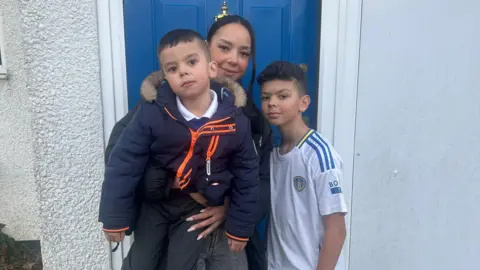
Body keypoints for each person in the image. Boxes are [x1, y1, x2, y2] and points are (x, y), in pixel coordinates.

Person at [99, 29, 260, 270]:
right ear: (165, 77)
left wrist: (239, 226)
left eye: (191, 62)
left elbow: (248, 175)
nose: (183, 71)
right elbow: (123, 161)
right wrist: (114, 218)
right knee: (140, 262)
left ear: (210, 68)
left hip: (194, 210)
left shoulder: (236, 120)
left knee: (181, 262)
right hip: (154, 205)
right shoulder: (153, 112)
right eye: (173, 69)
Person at [257, 61, 348, 270]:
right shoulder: (272, 154)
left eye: (283, 96)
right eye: (266, 97)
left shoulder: (319, 154)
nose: (272, 103)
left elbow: (337, 230)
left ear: (303, 103)